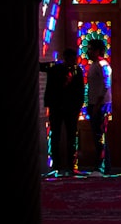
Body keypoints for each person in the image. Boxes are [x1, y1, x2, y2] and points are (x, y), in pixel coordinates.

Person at [44, 48, 86, 176]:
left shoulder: (75, 70)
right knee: (59, 136)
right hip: (61, 108)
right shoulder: (58, 69)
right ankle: (62, 166)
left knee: (68, 137)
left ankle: (67, 166)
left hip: (66, 108)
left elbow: (80, 90)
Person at [86, 38, 113, 175]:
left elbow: (106, 86)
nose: (88, 52)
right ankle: (103, 165)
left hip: (100, 105)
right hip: (94, 104)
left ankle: (101, 166)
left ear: (99, 51)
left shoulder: (102, 65)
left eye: (91, 49)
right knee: (97, 136)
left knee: (100, 135)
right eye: (88, 49)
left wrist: (97, 104)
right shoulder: (94, 65)